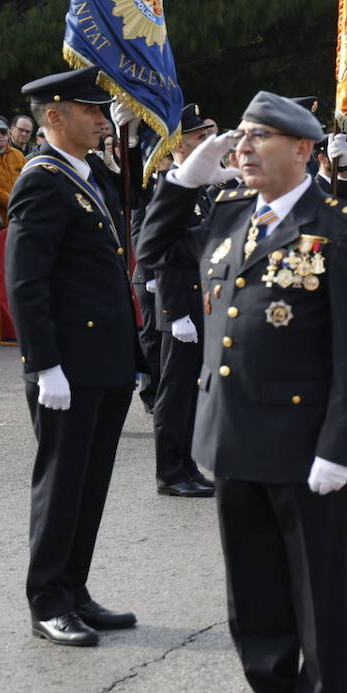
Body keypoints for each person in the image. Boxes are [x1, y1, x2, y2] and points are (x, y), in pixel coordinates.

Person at [138, 91, 347, 693]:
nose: (242, 150)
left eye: (259, 139)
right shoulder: (225, 214)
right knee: (253, 598)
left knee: (315, 600)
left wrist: (340, 448)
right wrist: (184, 178)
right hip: (231, 438)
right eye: (239, 139)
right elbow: (151, 251)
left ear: (303, 150)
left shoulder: (339, 228)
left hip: (304, 448)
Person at [5, 67, 146, 647]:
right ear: (54, 116)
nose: (100, 118)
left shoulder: (87, 174)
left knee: (91, 483)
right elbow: (26, 282)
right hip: (68, 363)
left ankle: (75, 588)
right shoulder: (41, 180)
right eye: (89, 110)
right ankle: (48, 600)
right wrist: (44, 364)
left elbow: (116, 251)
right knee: (62, 484)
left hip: (105, 358)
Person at [149, 103, 217, 497]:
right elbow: (161, 253)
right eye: (198, 139)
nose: (206, 145)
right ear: (178, 145)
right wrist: (175, 313)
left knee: (193, 391)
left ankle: (187, 464)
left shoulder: (198, 189)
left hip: (200, 304)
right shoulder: (171, 187)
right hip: (181, 310)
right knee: (174, 395)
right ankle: (170, 471)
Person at [0, 116, 26, 227]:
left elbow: (27, 179)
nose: (0, 136)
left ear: (8, 134)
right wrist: (10, 200)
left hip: (19, 215)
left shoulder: (18, 154)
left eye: (3, 132)